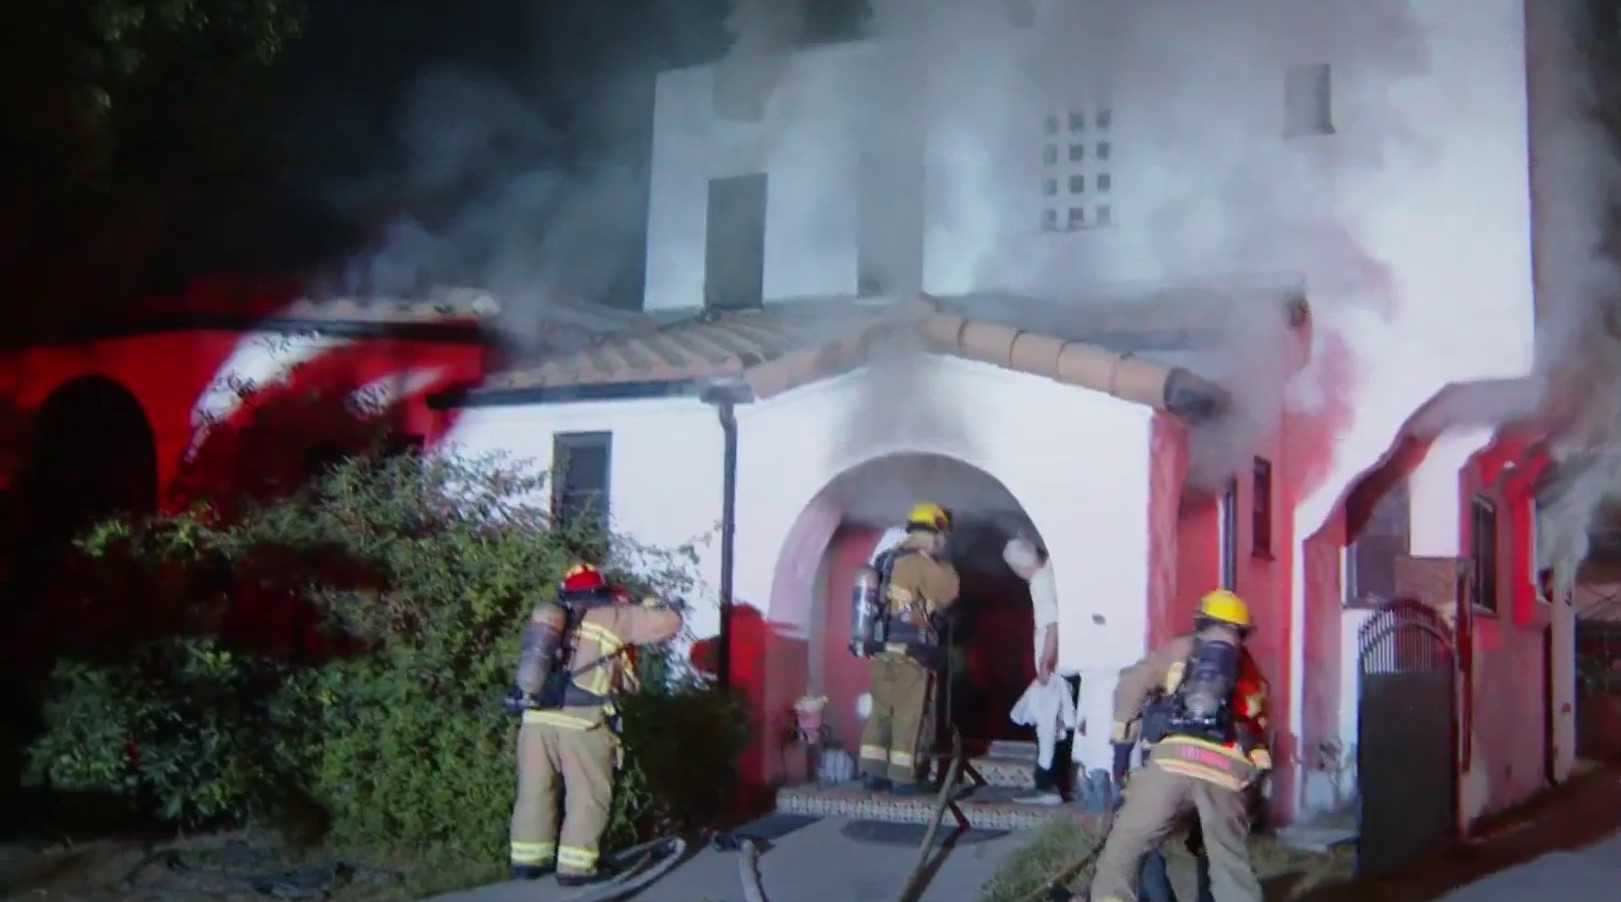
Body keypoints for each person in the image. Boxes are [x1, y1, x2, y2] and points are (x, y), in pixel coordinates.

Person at [1085, 590, 1272, 902]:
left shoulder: (1178, 650)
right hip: (1227, 773)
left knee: (1126, 845)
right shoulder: (1253, 674)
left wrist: (1121, 750)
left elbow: (1131, 686)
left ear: (1202, 621)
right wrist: (1251, 790)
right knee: (1229, 864)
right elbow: (1259, 736)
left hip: (1172, 762)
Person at [507, 563, 684, 886]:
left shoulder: (552, 619)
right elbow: (669, 623)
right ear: (600, 591)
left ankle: (529, 860)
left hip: (535, 718)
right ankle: (577, 866)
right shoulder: (611, 616)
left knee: (535, 789)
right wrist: (652, 603)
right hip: (582, 721)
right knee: (588, 794)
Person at [858, 501, 961, 796]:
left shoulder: (886, 559)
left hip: (880, 651)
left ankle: (873, 772)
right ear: (937, 531)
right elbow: (950, 592)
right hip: (911, 653)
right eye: (943, 535)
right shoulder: (924, 565)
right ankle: (904, 777)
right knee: (909, 715)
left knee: (880, 711)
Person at [1003, 536, 1079, 806]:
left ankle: (1046, 787)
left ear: (1019, 567)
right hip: (1068, 664)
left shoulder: (1040, 582)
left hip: (1056, 668)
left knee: (1048, 727)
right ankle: (1059, 785)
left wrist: (1046, 663)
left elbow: (1052, 624)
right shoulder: (1053, 572)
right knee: (1059, 730)